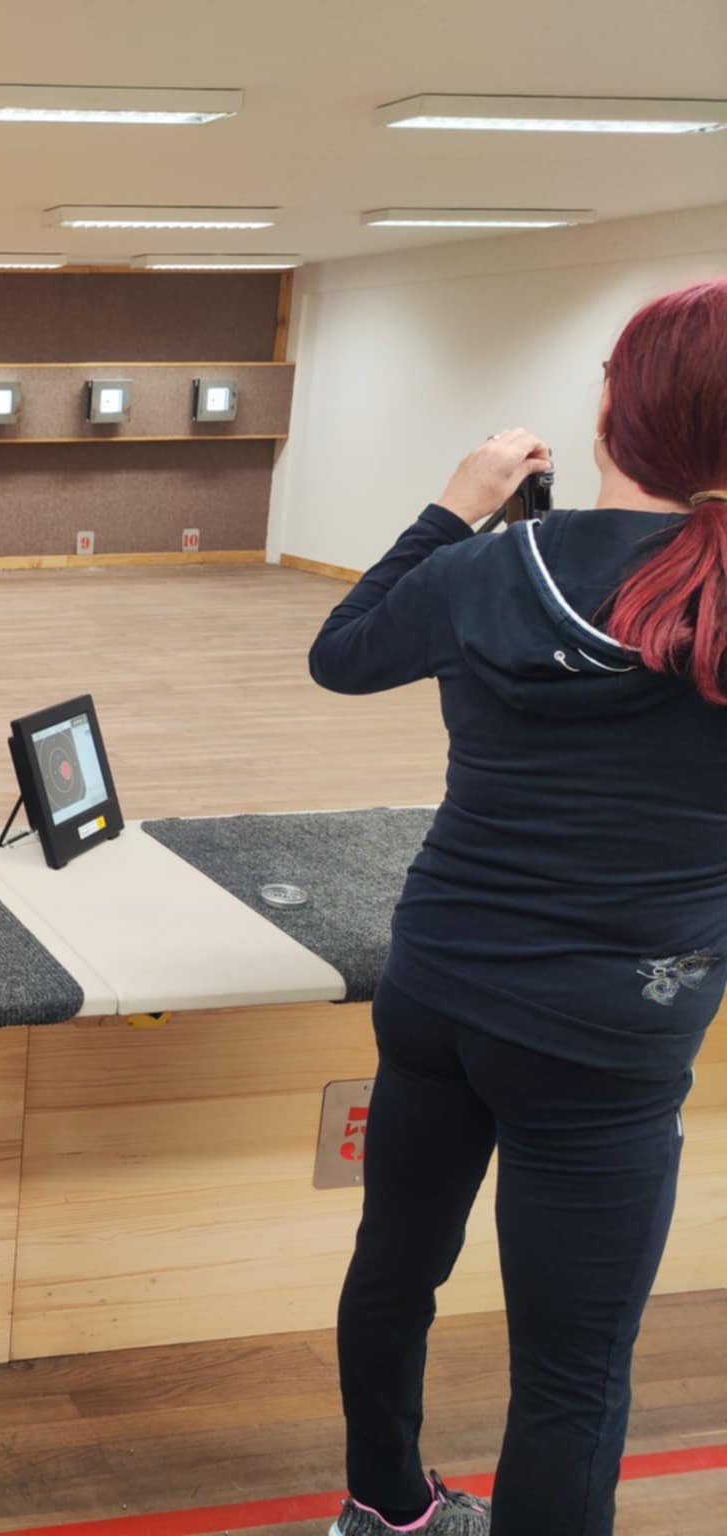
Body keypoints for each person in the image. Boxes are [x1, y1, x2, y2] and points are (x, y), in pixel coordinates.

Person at [307, 277, 727, 1536]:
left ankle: (383, 1510)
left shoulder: (490, 565)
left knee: (393, 1270)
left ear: (612, 413)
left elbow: (342, 653)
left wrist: (451, 508)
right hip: (606, 1034)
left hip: (435, 987)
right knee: (570, 1372)